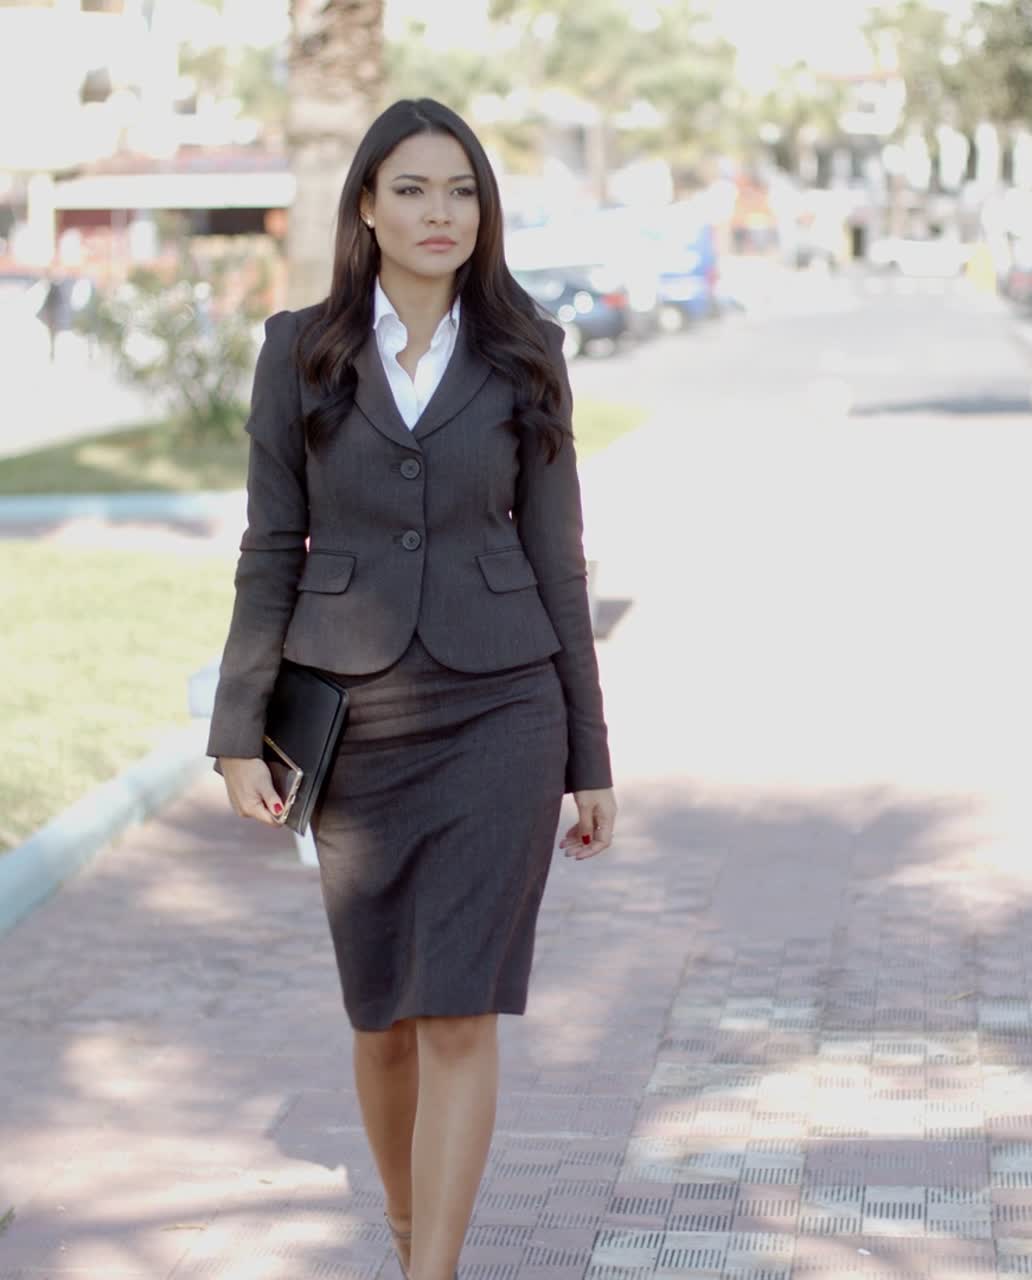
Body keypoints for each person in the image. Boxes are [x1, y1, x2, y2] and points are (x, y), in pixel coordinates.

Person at [205, 98, 617, 1280]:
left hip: (503, 708)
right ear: (368, 207)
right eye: (414, 189)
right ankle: (403, 1228)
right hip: (357, 721)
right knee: (381, 1016)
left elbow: (557, 555)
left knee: (458, 1006)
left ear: (483, 213)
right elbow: (266, 541)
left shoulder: (525, 346)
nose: (441, 213)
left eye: (463, 191)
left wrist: (590, 756)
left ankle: (430, 1268)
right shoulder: (301, 348)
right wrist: (240, 728)